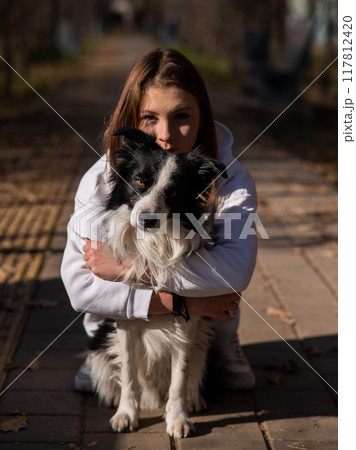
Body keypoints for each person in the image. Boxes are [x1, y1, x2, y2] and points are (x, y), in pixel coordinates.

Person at [61, 48, 257, 392]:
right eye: (150, 118)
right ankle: (101, 347)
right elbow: (80, 289)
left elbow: (236, 270)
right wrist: (186, 302)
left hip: (201, 324)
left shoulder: (231, 179)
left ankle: (224, 341)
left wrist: (126, 270)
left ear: (202, 117)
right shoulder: (100, 181)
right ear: (132, 118)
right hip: (118, 323)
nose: (166, 135)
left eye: (181, 116)